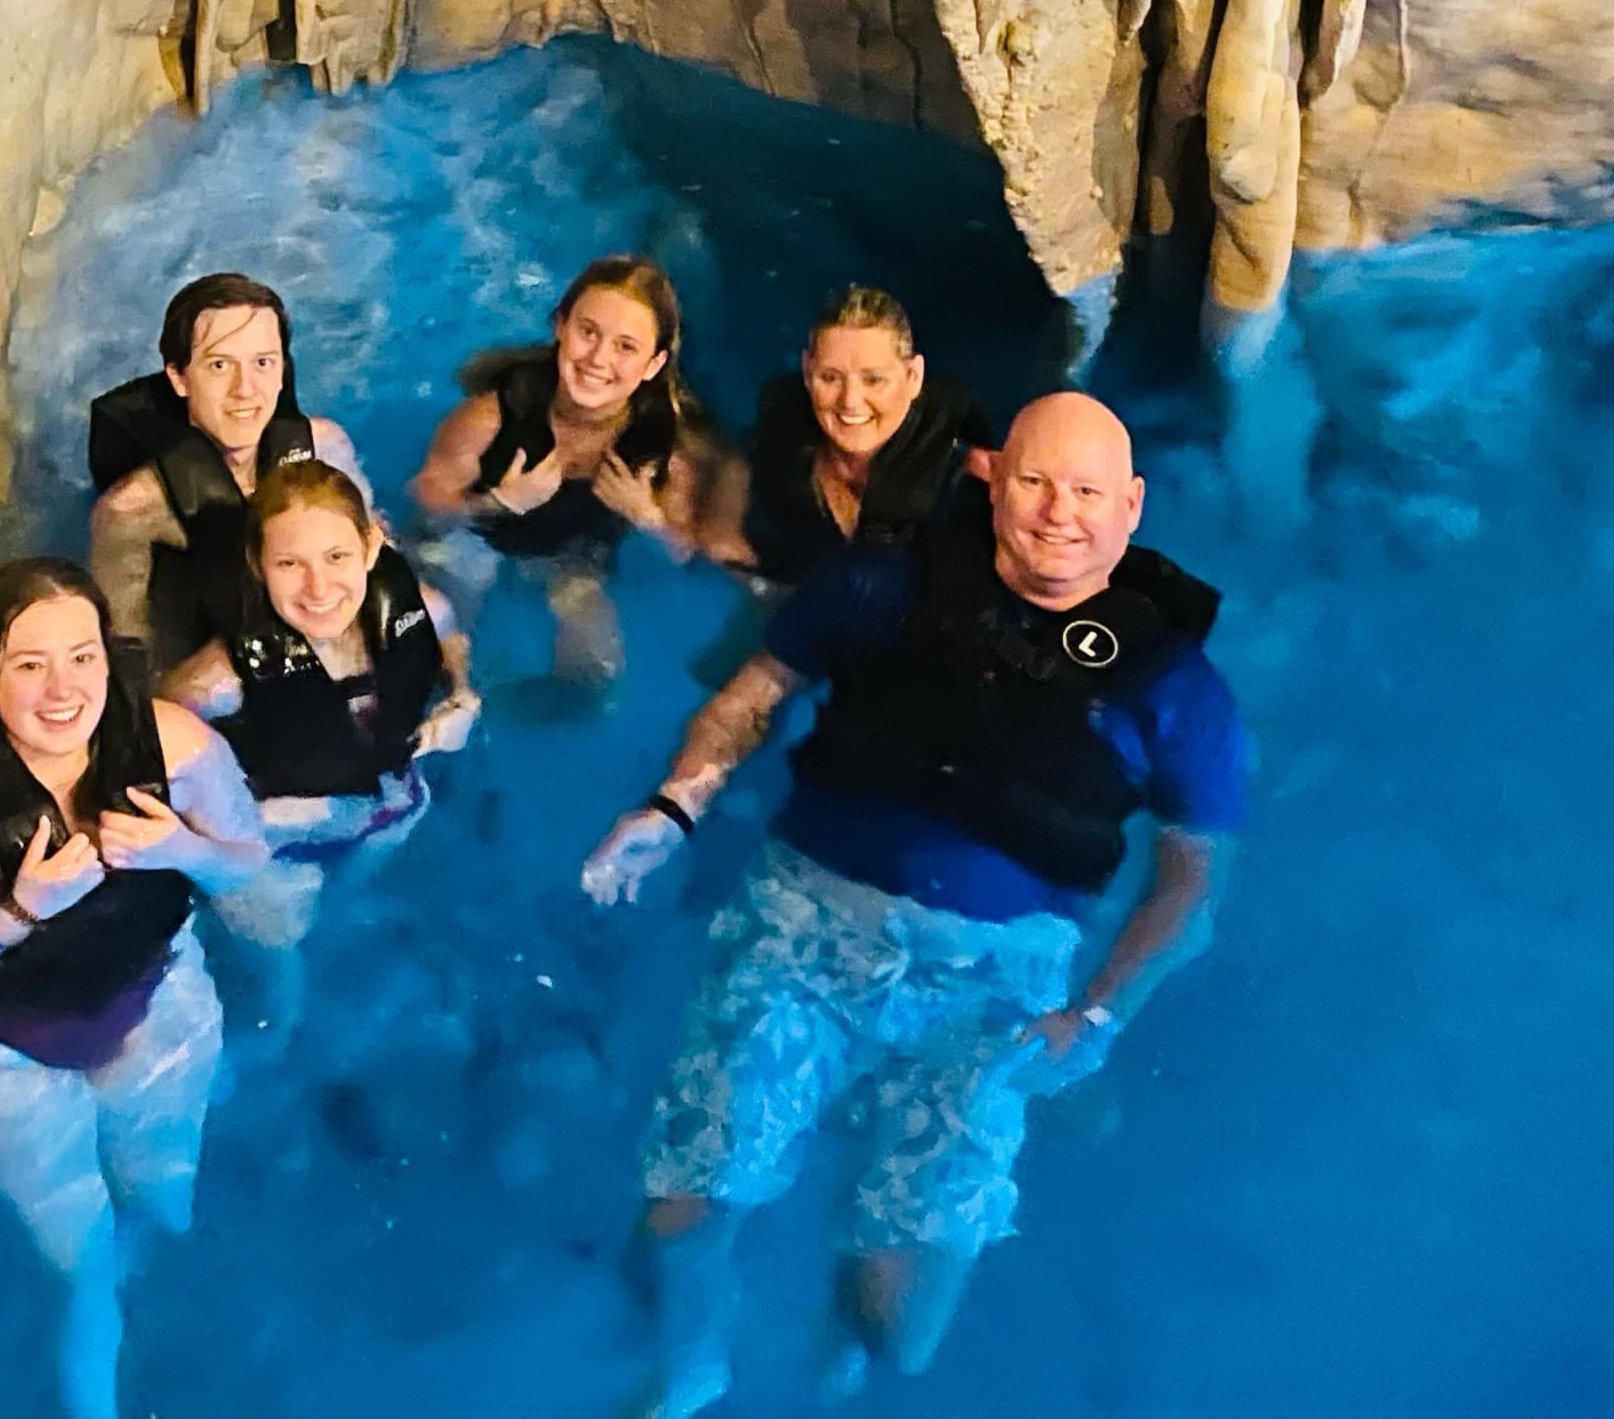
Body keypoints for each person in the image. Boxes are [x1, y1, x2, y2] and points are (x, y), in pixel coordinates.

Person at [582, 392, 1248, 1413]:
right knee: (679, 1222)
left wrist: (1099, 1013)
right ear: (989, 478)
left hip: (991, 980)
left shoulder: (1176, 689)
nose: (1057, 513)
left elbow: (1189, 880)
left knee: (899, 1334)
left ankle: (839, 1340)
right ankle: (692, 1362)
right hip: (803, 925)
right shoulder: (879, 585)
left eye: (1085, 492)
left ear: (1130, 506)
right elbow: (754, 691)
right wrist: (673, 805)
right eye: (1033, 482)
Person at [0, 559, 267, 1419]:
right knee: (81, 1262)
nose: (62, 690)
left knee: (169, 1198)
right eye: (29, 665)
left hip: (153, 998)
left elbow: (247, 864)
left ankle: (174, 1323)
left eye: (81, 658)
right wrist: (14, 912)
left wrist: (181, 851)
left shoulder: (176, 744)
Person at [164, 458, 480, 987]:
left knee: (355, 913)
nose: (318, 587)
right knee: (287, 957)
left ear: (372, 548)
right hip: (281, 831)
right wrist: (229, 842)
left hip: (388, 803)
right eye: (290, 564)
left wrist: (463, 697)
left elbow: (450, 642)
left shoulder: (420, 608)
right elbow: (159, 755)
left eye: (337, 557)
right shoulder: (217, 683)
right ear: (257, 565)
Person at [411, 255, 702, 687]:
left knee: (594, 675)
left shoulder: (664, 448)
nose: (598, 359)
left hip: (575, 561)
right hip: (475, 542)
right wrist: (497, 502)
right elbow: (426, 506)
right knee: (433, 656)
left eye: (626, 346)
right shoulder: (490, 418)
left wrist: (648, 517)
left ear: (654, 364)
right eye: (588, 332)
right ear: (560, 327)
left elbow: (684, 553)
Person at [88, 271, 370, 665]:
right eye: (220, 365)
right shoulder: (131, 511)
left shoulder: (327, 448)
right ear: (179, 378)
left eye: (263, 363)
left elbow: (377, 551)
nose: (245, 389)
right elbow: (125, 644)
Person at [696, 284, 991, 585]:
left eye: (874, 379)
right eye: (830, 377)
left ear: (913, 377)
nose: (850, 400)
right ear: (808, 372)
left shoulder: (963, 473)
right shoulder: (771, 444)